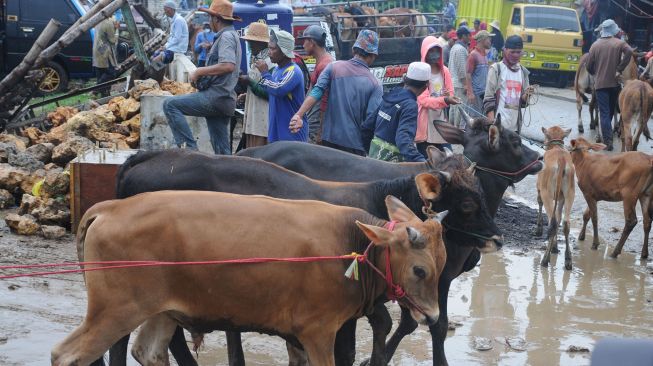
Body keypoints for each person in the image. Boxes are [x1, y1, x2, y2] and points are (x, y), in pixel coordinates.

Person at [163, 0, 242, 154]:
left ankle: (191, 153)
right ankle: (228, 175)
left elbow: (228, 65)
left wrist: (199, 72)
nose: (208, 21)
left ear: (217, 19)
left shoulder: (226, 37)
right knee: (222, 152)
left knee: (170, 105)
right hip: (224, 100)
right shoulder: (229, 35)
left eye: (210, 18)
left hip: (215, 98)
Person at [290, 30, 383, 156]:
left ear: (353, 50)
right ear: (373, 56)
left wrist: (299, 115)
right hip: (355, 148)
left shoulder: (333, 67)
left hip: (329, 141)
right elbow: (370, 121)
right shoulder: (375, 84)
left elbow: (317, 91)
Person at [361, 62, 430, 162]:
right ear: (425, 87)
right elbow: (403, 138)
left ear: (405, 79)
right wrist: (421, 161)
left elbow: (367, 127)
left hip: (374, 158)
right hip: (392, 163)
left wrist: (370, 152)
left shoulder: (390, 95)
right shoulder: (410, 105)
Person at [587, 19, 633, 150]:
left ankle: (608, 142)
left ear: (603, 30)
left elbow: (589, 66)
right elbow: (629, 52)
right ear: (614, 31)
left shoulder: (595, 45)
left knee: (604, 113)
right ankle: (608, 137)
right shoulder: (619, 43)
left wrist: (596, 73)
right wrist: (619, 69)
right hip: (615, 84)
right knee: (610, 112)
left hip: (600, 85)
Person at [257, 30, 308, 143]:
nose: (269, 52)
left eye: (273, 49)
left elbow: (278, 89)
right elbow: (271, 90)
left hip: (291, 135)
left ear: (284, 52)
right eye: (269, 48)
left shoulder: (293, 71)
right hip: (277, 133)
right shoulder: (276, 70)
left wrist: (265, 73)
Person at [415, 36, 460, 156]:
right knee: (427, 159)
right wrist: (444, 99)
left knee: (448, 157)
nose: (434, 54)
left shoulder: (444, 71)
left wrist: (448, 96)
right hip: (425, 123)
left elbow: (450, 92)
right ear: (424, 51)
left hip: (440, 121)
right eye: (431, 50)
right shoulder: (422, 72)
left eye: (436, 50)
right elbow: (423, 101)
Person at [483, 35, 535, 133]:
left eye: (518, 52)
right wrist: (492, 123)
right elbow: (488, 98)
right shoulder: (496, 69)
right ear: (505, 50)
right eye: (512, 52)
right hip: (498, 126)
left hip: (514, 128)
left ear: (522, 52)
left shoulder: (523, 72)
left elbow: (522, 103)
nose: (515, 55)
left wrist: (527, 94)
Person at [238, 21, 274, 148]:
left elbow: (270, 92)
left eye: (251, 43)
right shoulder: (256, 60)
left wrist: (250, 82)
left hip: (262, 123)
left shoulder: (270, 63)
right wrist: (246, 95)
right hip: (254, 120)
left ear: (260, 43)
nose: (249, 46)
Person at [298, 25, 334, 143]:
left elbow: (325, 100)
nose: (303, 45)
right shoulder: (323, 61)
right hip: (314, 120)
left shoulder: (325, 65)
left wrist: (321, 131)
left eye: (305, 41)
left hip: (317, 123)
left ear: (312, 42)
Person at [448, 25, 472, 128]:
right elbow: (462, 70)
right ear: (463, 36)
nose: (470, 37)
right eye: (468, 35)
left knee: (454, 107)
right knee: (460, 107)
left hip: (454, 82)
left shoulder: (455, 47)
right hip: (459, 83)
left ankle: (451, 127)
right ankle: (457, 129)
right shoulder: (460, 49)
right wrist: (466, 85)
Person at [466, 30, 493, 114]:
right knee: (475, 118)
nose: (490, 42)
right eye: (489, 39)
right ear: (483, 40)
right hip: (476, 94)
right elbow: (468, 74)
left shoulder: (484, 55)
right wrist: (470, 93)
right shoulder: (473, 55)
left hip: (483, 93)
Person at [92, 17, 119, 88]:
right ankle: (96, 88)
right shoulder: (108, 23)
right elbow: (113, 40)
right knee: (111, 73)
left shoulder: (98, 20)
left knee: (100, 74)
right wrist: (116, 29)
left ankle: (103, 94)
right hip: (104, 50)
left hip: (96, 49)